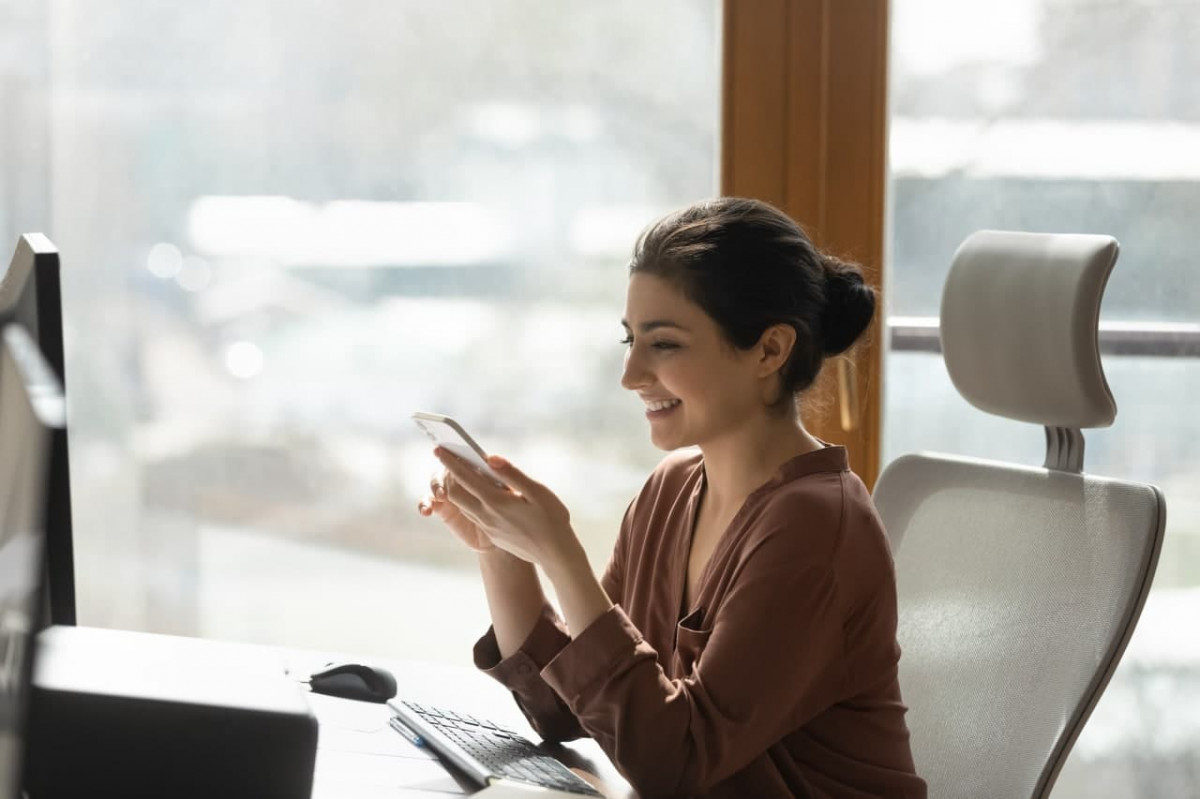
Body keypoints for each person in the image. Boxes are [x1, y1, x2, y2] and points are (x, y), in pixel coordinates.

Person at [417, 197, 927, 799]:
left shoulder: (816, 525)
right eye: (630, 339)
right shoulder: (673, 486)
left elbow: (674, 764)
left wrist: (562, 557)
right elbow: (570, 709)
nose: (631, 373)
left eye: (664, 345)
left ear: (769, 350)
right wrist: (501, 548)